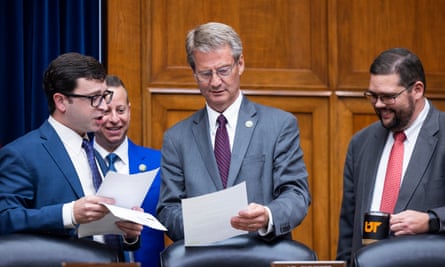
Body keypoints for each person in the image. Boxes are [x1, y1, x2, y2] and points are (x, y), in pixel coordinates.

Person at [156, 22, 311, 242]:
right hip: (203, 259)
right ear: (194, 74)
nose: (215, 82)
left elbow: (297, 194)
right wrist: (207, 223)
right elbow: (168, 211)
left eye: (223, 71)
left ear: (240, 64)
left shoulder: (279, 125)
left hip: (261, 254)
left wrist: (268, 216)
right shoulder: (176, 138)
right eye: (205, 74)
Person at [0, 52, 143, 260]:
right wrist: (69, 214)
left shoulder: (94, 154)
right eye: (94, 98)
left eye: (104, 96)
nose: (103, 106)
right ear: (61, 101)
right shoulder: (21, 154)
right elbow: (4, 218)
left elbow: (102, 235)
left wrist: (128, 234)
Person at [336, 48, 445, 264]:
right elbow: (349, 227)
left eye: (388, 97)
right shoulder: (361, 143)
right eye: (372, 96)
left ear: (417, 90)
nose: (378, 104)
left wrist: (431, 220)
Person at [94, 75, 164, 267]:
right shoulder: (77, 161)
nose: (114, 119)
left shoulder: (158, 163)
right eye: (106, 111)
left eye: (121, 110)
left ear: (130, 110)